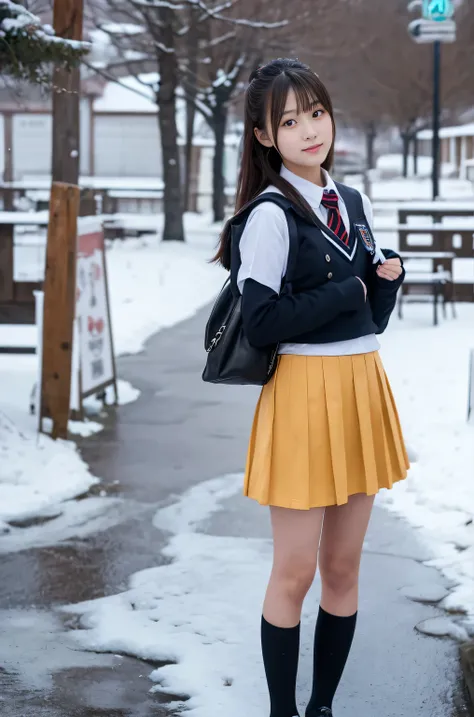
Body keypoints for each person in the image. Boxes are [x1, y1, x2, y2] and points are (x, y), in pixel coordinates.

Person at [212, 58, 409, 717]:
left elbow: (369, 320)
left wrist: (384, 283)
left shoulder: (352, 201)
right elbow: (264, 321)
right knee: (295, 571)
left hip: (359, 385)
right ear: (265, 136)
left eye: (315, 113)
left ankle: (322, 706)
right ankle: (282, 712)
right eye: (289, 120)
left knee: (345, 569)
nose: (308, 130)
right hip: (301, 393)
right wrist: (347, 288)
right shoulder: (268, 216)